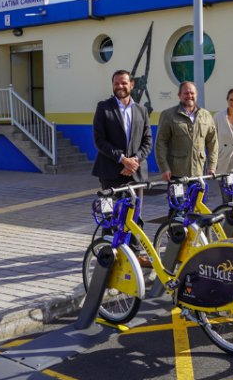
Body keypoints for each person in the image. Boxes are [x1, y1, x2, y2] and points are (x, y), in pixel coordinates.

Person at [92, 69, 153, 265]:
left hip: (135, 173)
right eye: (117, 83)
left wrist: (134, 160)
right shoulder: (104, 108)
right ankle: (109, 253)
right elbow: (99, 140)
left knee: (135, 214)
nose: (120, 86)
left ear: (132, 85)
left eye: (124, 83)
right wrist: (122, 159)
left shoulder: (142, 110)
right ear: (113, 85)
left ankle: (134, 253)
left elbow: (147, 141)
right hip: (110, 172)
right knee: (109, 214)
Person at [154, 81, 218, 181]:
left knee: (199, 197)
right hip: (176, 174)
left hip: (199, 173)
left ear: (196, 94)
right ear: (179, 95)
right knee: (178, 197)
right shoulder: (168, 115)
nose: (189, 96)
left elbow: (212, 143)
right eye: (186, 93)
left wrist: (212, 166)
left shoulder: (206, 116)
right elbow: (161, 143)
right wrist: (164, 168)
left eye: (192, 93)